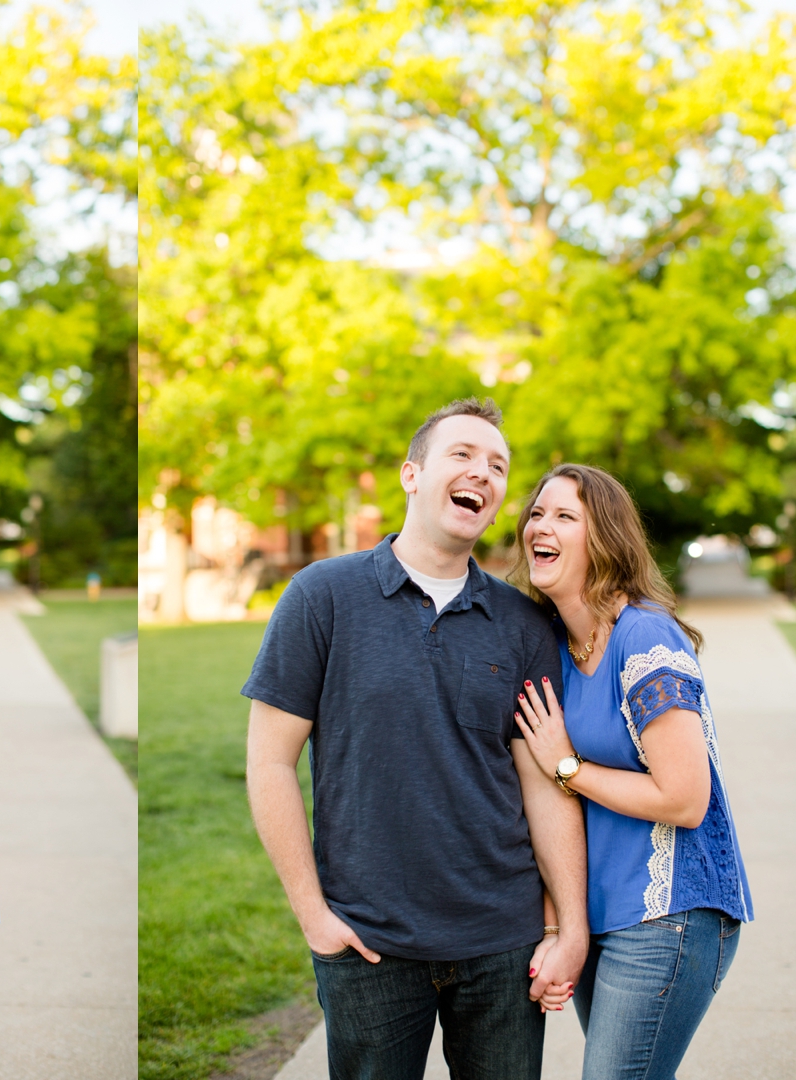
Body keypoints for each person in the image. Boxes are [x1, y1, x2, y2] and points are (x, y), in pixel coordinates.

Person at [244, 397, 587, 1080]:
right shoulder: (321, 597)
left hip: (502, 943)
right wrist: (313, 915)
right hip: (369, 943)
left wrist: (567, 927)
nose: (482, 475)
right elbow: (269, 762)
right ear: (411, 474)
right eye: (463, 455)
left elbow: (543, 783)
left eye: (497, 466)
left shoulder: (522, 624)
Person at [509, 463, 753, 1080]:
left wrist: (568, 766)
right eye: (537, 513)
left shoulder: (645, 638)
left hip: (670, 915)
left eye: (566, 516)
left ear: (607, 541)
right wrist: (558, 927)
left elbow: (685, 798)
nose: (543, 524)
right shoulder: (556, 649)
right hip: (598, 915)